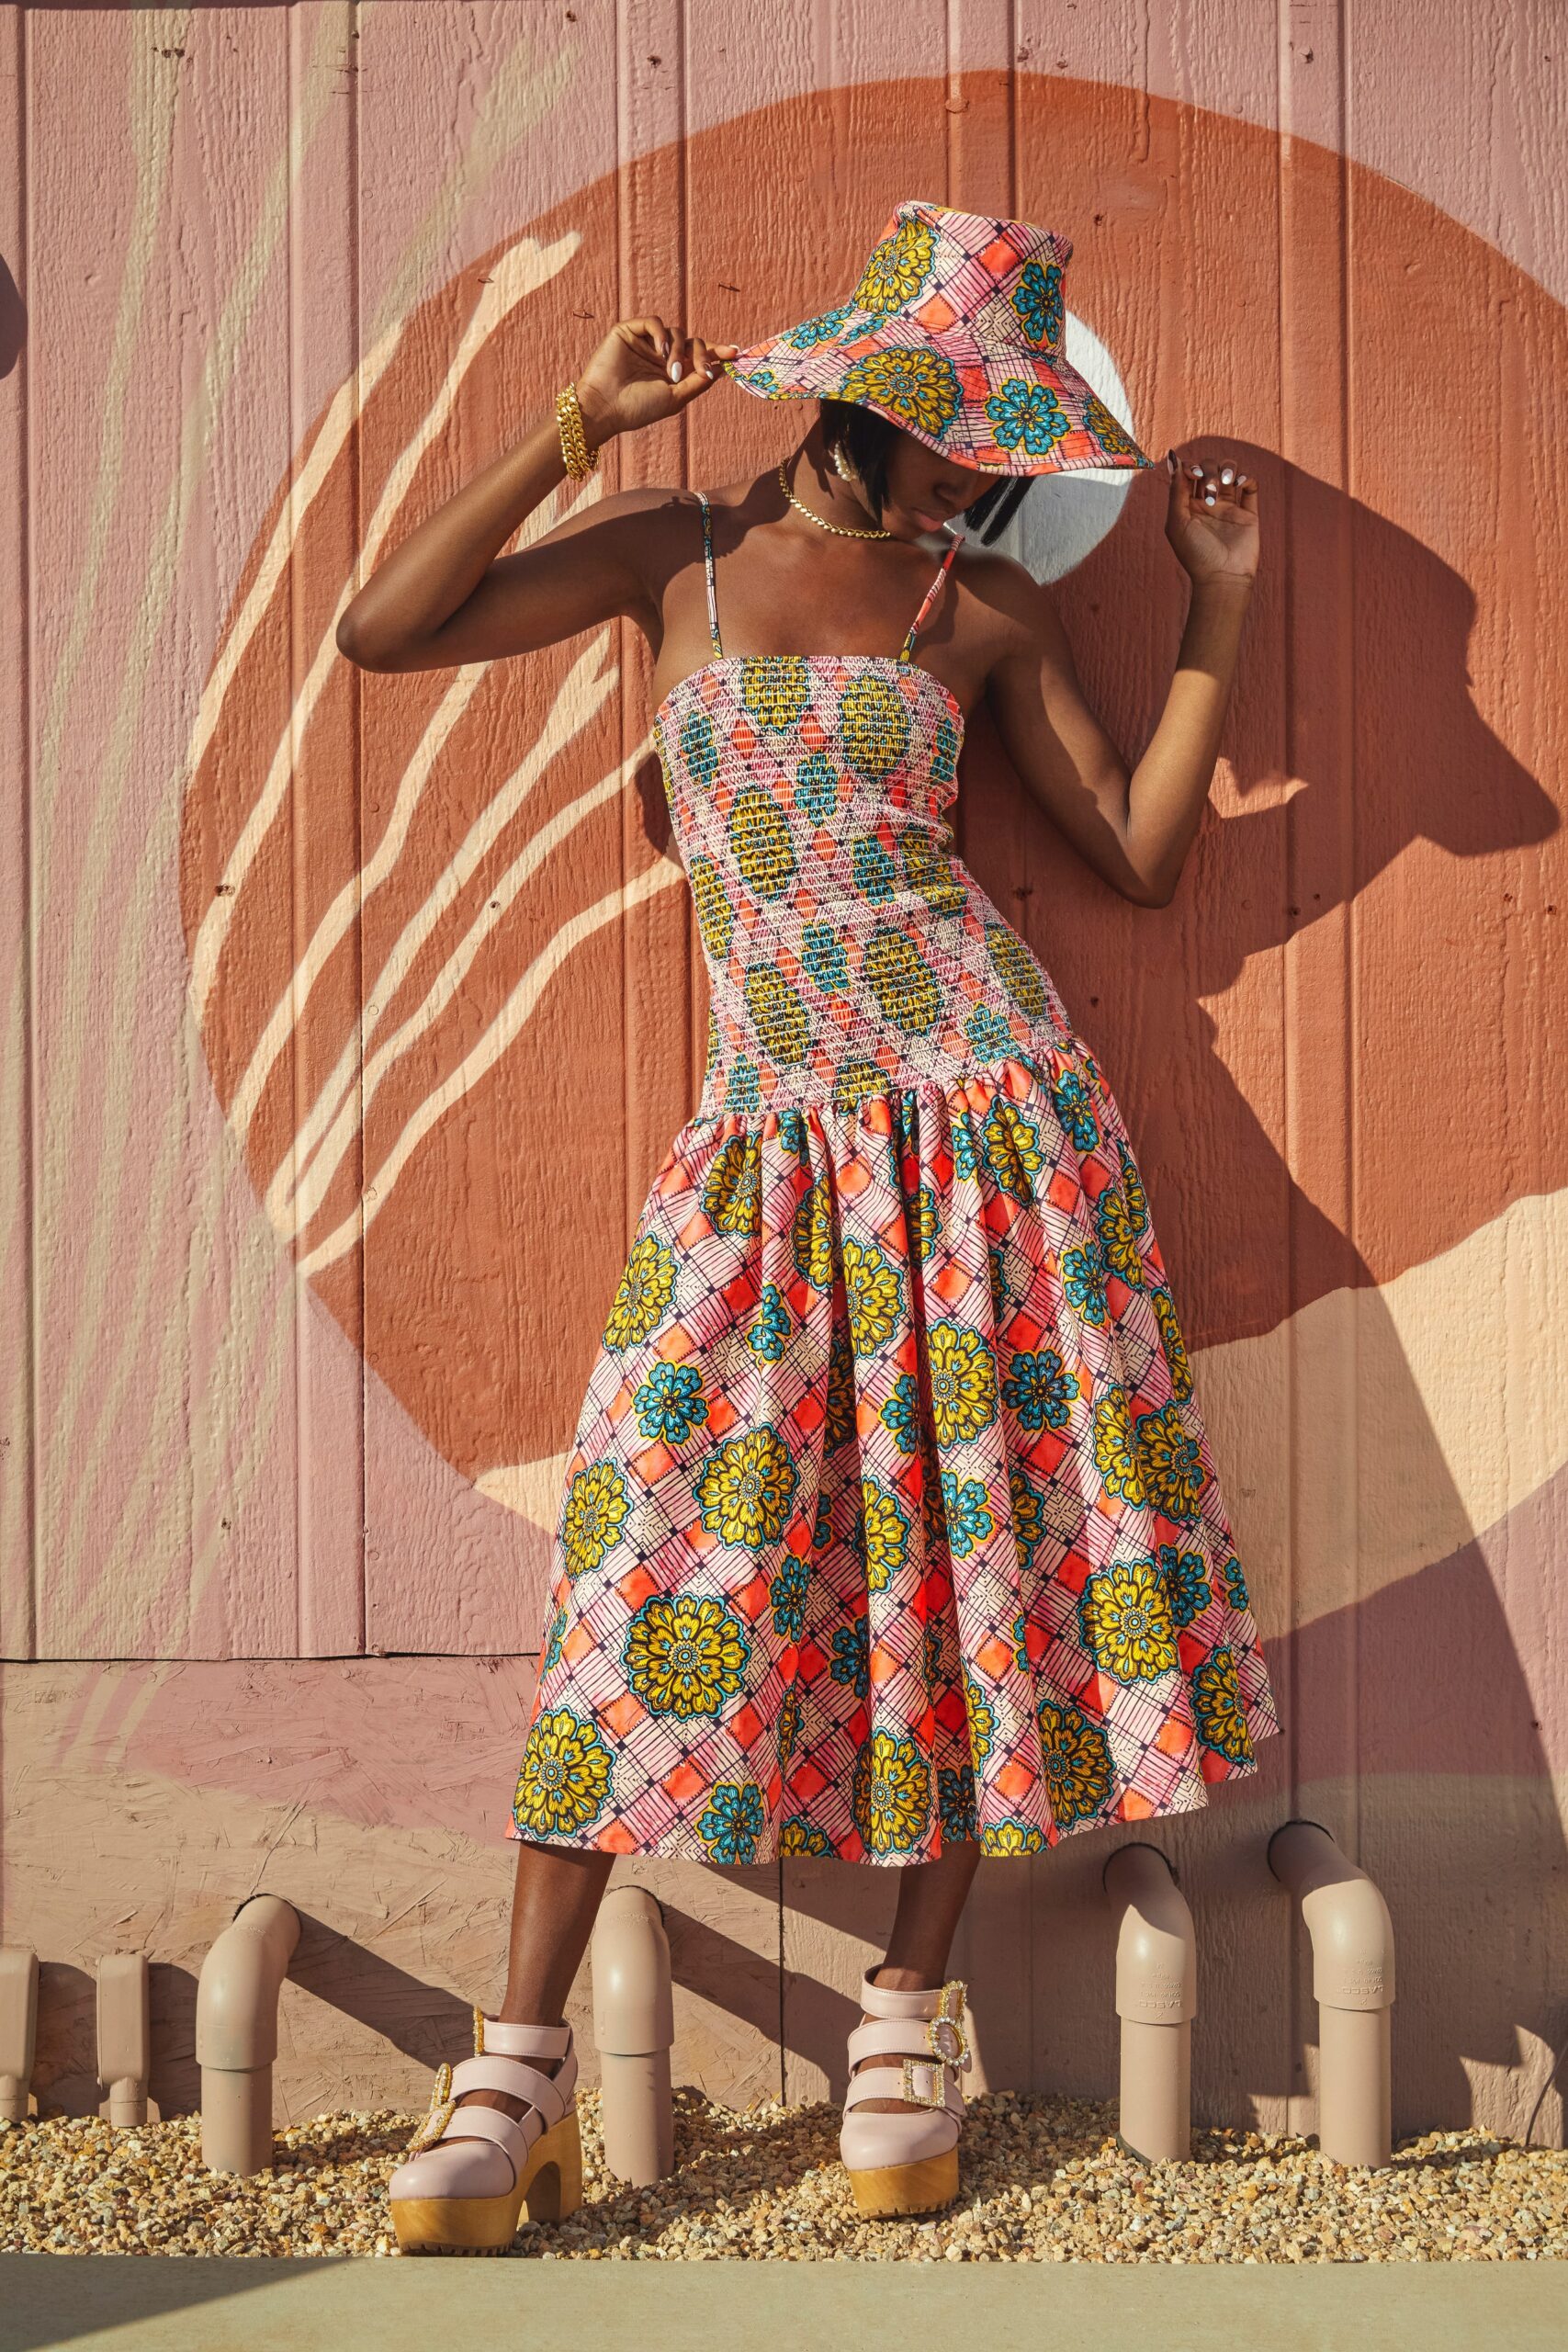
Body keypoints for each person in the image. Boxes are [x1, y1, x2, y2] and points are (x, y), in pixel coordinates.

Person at [337, 201, 1280, 2254]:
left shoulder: (973, 615)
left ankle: (902, 2020)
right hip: (764, 1143)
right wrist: (562, 431)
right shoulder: (665, 555)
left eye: (1005, 450)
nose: (979, 475)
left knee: (959, 1557)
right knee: (642, 1558)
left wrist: (1213, 606)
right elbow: (384, 631)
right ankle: (513, 2075)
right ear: (858, 396)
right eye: (954, 433)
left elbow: (1129, 853)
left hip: (989, 1130)